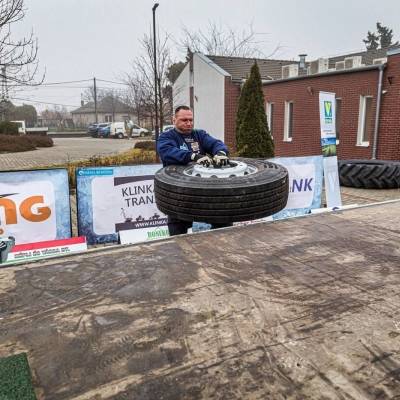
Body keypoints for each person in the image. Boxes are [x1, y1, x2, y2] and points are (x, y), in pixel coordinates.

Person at [157, 105, 231, 236]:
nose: (189, 123)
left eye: (191, 120)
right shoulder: (166, 137)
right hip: (178, 190)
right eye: (184, 120)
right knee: (178, 230)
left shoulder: (199, 134)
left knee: (223, 220)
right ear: (174, 120)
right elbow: (167, 151)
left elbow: (216, 143)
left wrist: (221, 152)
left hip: (202, 188)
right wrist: (193, 156)